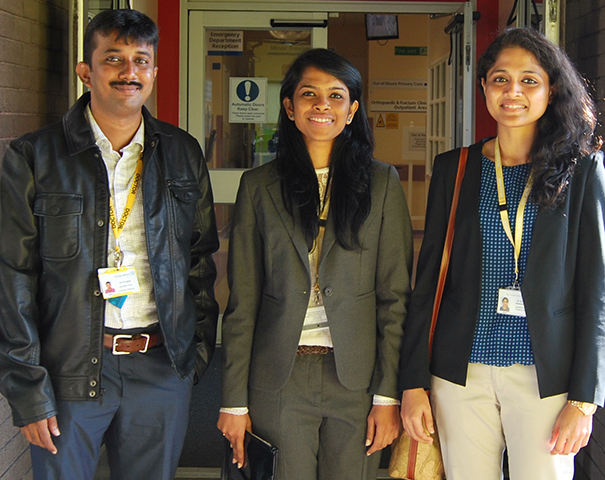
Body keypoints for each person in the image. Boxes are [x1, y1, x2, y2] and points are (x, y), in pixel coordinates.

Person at [0, 9, 219, 480]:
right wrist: (27, 388)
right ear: (87, 71)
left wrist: (193, 355)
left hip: (160, 368)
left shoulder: (183, 153)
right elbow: (11, 277)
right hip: (68, 372)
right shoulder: (34, 157)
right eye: (114, 59)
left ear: (155, 72)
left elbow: (199, 262)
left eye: (141, 60)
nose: (129, 72)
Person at [399, 27, 605, 480]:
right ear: (485, 89)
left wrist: (584, 399)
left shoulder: (582, 171)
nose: (513, 91)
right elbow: (428, 281)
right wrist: (413, 382)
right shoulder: (454, 167)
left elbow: (597, 291)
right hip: (460, 371)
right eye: (500, 79)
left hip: (545, 374)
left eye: (529, 80)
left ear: (552, 90)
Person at [218, 48, 413, 479]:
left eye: (336, 95)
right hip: (278, 378)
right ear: (289, 107)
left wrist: (387, 395)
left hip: (356, 379)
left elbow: (394, 297)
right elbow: (242, 301)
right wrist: (233, 400)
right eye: (309, 94)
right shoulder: (258, 187)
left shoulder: (381, 184)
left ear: (352, 109)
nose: (322, 105)